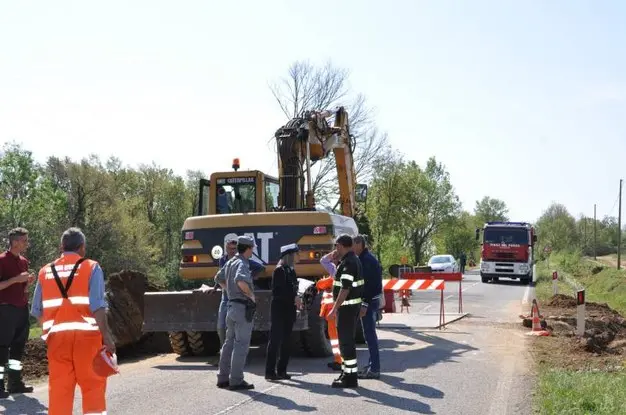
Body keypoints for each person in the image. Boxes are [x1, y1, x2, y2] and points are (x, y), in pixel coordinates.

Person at [30, 227, 116, 415]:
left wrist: (50, 331)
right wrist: (107, 338)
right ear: (82, 247)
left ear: (62, 246)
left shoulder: (45, 271)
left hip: (57, 342)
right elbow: (98, 307)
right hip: (87, 340)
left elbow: (37, 311)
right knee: (93, 387)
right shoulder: (91, 267)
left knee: (60, 392)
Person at [216, 235, 257, 391]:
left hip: (231, 306)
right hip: (241, 308)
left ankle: (223, 378)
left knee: (228, 343)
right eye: (252, 247)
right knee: (241, 344)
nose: (252, 250)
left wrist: (228, 290)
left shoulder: (230, 262)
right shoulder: (242, 263)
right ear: (248, 248)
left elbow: (218, 278)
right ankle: (236, 380)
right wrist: (251, 296)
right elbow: (241, 280)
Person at [0, 227, 35, 399]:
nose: (27, 244)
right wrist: (15, 279)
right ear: (15, 242)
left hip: (21, 309)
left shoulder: (24, 261)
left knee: (18, 348)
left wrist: (27, 283)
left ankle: (15, 383)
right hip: (5, 310)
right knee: (2, 349)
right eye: (24, 240)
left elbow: (22, 289)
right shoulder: (1, 260)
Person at [327, 234, 364, 388]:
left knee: (346, 344)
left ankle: (350, 378)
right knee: (345, 344)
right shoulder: (351, 260)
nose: (335, 249)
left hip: (347, 309)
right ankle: (347, 374)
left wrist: (334, 309)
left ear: (341, 245)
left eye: (336, 246)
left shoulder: (349, 262)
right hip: (349, 309)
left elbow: (345, 288)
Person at [213, 238, 264, 348]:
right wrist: (226, 288)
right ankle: (224, 350)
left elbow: (260, 268)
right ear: (226, 249)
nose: (231, 251)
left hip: (238, 298)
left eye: (234, 249)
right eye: (229, 249)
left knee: (238, 328)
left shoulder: (243, 262)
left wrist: (250, 278)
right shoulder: (223, 260)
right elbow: (218, 277)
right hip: (226, 297)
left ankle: (235, 353)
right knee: (221, 326)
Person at [265, 243, 302, 380]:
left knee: (287, 340)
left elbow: (293, 288)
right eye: (296, 253)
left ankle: (282, 370)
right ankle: (270, 371)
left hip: (289, 310)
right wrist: (294, 297)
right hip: (279, 309)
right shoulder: (279, 270)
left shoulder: (291, 270)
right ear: (290, 255)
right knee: (275, 340)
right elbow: (278, 292)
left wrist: (298, 296)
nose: (298, 256)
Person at [353, 235, 383, 379]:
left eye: (353, 244)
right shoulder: (366, 259)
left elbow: (369, 286)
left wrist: (364, 304)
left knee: (370, 336)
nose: (352, 248)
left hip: (369, 303)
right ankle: (372, 365)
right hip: (370, 302)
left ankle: (375, 369)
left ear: (359, 244)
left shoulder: (366, 261)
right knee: (369, 335)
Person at [318, 250, 342, 371]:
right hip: (334, 309)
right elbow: (323, 260)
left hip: (336, 309)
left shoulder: (338, 270)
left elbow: (323, 261)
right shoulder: (335, 269)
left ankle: (340, 360)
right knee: (335, 337)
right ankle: (339, 359)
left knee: (337, 337)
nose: (333, 260)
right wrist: (335, 252)